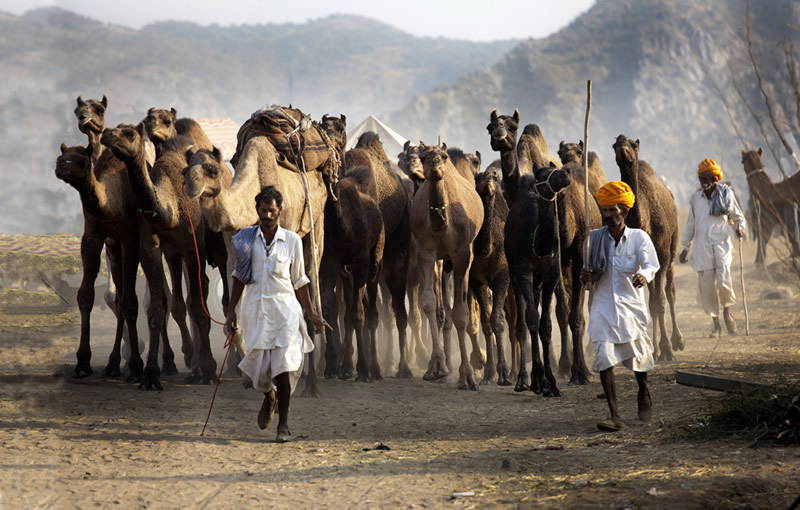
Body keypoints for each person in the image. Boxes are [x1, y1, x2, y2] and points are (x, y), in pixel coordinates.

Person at [225, 185, 328, 443]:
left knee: (283, 365)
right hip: (256, 309)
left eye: (272, 210)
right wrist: (231, 311)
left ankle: (283, 425)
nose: (268, 215)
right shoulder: (245, 240)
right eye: (263, 210)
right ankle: (268, 395)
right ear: (257, 210)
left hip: (285, 310)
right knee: (259, 372)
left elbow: (300, 281)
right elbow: (239, 277)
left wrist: (311, 313)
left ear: (279, 210)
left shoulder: (292, 240)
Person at [581, 181, 660, 432]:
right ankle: (615, 415)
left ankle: (643, 390)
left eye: (611, 211)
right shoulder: (592, 239)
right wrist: (586, 276)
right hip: (603, 305)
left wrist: (644, 276)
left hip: (630, 307)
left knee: (638, 356)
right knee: (603, 355)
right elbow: (588, 278)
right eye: (603, 211)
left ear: (624, 211)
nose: (606, 216)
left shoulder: (639, 238)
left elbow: (651, 265)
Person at [679, 158, 746, 336]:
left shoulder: (725, 194)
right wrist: (685, 246)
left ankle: (727, 312)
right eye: (701, 178)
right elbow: (690, 224)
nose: (703, 181)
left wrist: (740, 229)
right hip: (702, 248)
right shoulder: (696, 198)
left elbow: (738, 216)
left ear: (715, 178)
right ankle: (715, 325)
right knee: (707, 288)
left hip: (722, 244)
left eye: (707, 177)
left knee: (724, 282)